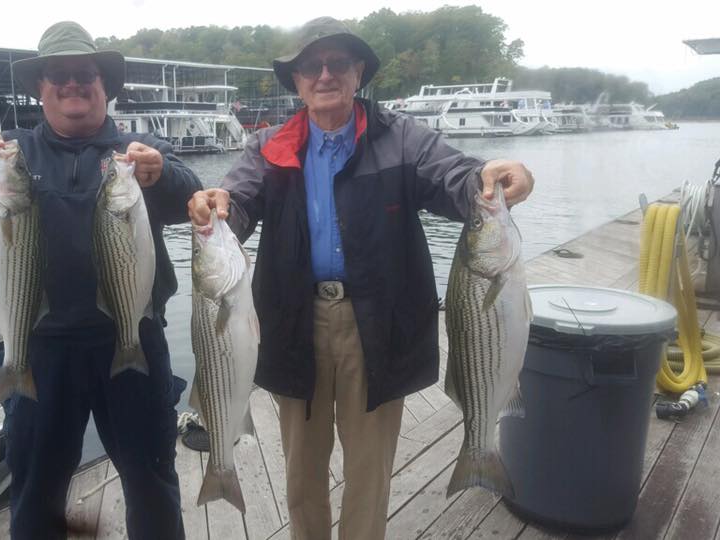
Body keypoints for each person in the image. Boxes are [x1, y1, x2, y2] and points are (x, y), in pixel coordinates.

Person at [187, 16, 534, 540]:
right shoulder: (269, 148)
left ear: (358, 74)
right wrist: (214, 210)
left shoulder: (403, 139)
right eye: (311, 66)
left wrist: (490, 179)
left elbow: (456, 178)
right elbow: (237, 203)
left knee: (369, 474)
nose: (325, 75)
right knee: (302, 473)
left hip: (377, 327)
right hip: (293, 324)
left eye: (338, 63)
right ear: (297, 81)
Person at [0, 21, 201, 540]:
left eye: (85, 74)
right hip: (38, 346)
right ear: (40, 89)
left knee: (153, 481)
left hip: (132, 337)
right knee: (35, 488)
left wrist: (163, 171)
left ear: (104, 85)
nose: (73, 83)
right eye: (59, 75)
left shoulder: (137, 152)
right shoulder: (10, 155)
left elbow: (191, 195)